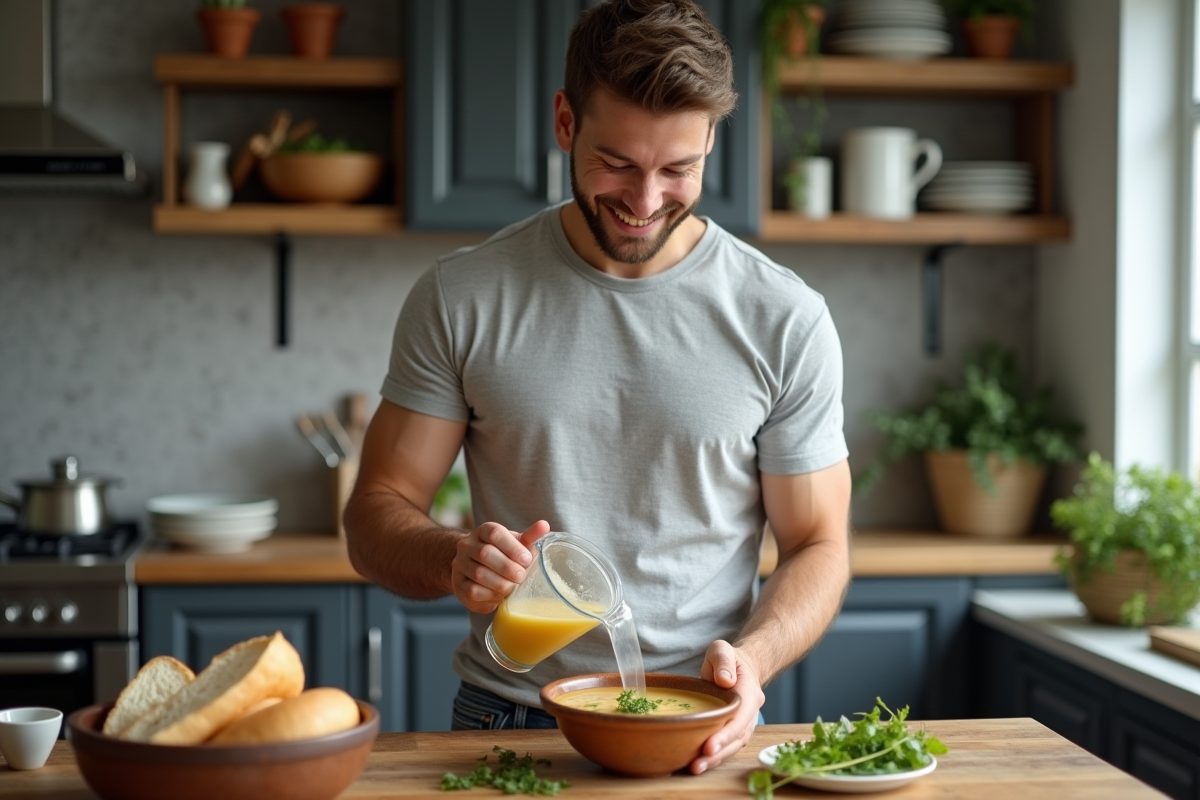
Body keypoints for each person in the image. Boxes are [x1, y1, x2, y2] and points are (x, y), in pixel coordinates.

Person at [344, 0, 851, 775]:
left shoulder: (784, 318)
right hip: (506, 718)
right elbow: (373, 514)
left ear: (712, 140)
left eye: (678, 168)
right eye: (616, 162)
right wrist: (452, 558)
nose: (645, 202)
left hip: (694, 723)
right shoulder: (464, 297)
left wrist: (755, 658)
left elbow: (818, 545)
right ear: (564, 122)